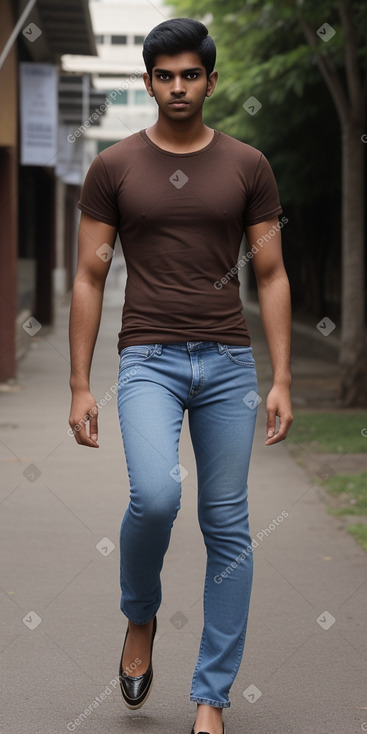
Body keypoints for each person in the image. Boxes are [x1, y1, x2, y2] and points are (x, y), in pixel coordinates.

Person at [68, 17, 293, 734]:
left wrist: (282, 376)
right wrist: (79, 384)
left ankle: (210, 699)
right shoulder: (114, 167)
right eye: (163, 75)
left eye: (189, 74)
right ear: (147, 81)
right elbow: (87, 278)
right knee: (157, 497)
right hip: (149, 360)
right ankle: (141, 616)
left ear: (211, 81)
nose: (176, 87)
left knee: (227, 525)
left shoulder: (247, 165)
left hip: (227, 362)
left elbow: (271, 271)